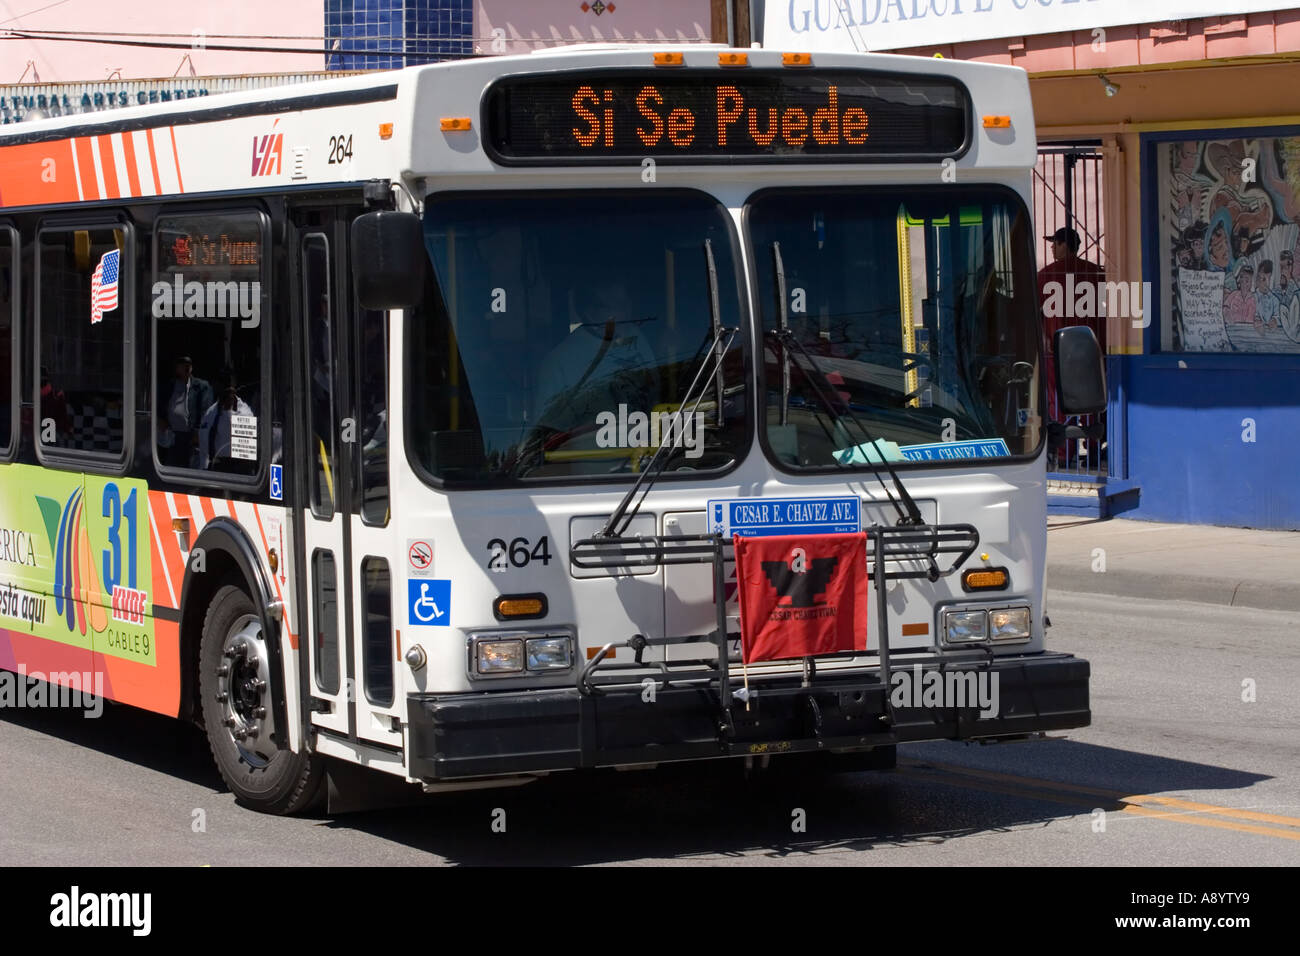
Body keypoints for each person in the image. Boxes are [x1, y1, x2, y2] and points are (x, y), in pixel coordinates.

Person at [1036, 227, 1105, 420]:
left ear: (1064, 245)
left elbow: (1034, 310)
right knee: (1091, 393)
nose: (1051, 247)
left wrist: (1043, 338)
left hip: (1057, 347)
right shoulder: (1095, 273)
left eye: (1055, 243)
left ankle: (1064, 447)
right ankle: (1093, 443)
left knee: (1058, 397)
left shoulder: (1046, 275)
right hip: (1090, 345)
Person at [160, 356, 213, 468]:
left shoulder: (201, 386)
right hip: (172, 435)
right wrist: (162, 420)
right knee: (171, 468)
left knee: (191, 469)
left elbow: (206, 411)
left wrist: (198, 431)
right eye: (182, 365)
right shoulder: (170, 385)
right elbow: (161, 404)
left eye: (188, 365)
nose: (186, 367)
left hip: (191, 437)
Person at [198, 382, 254, 470]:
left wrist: (229, 411)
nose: (228, 397)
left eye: (230, 393)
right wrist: (203, 466)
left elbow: (247, 444)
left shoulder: (245, 412)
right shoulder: (210, 413)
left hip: (238, 465)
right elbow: (204, 439)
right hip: (217, 463)